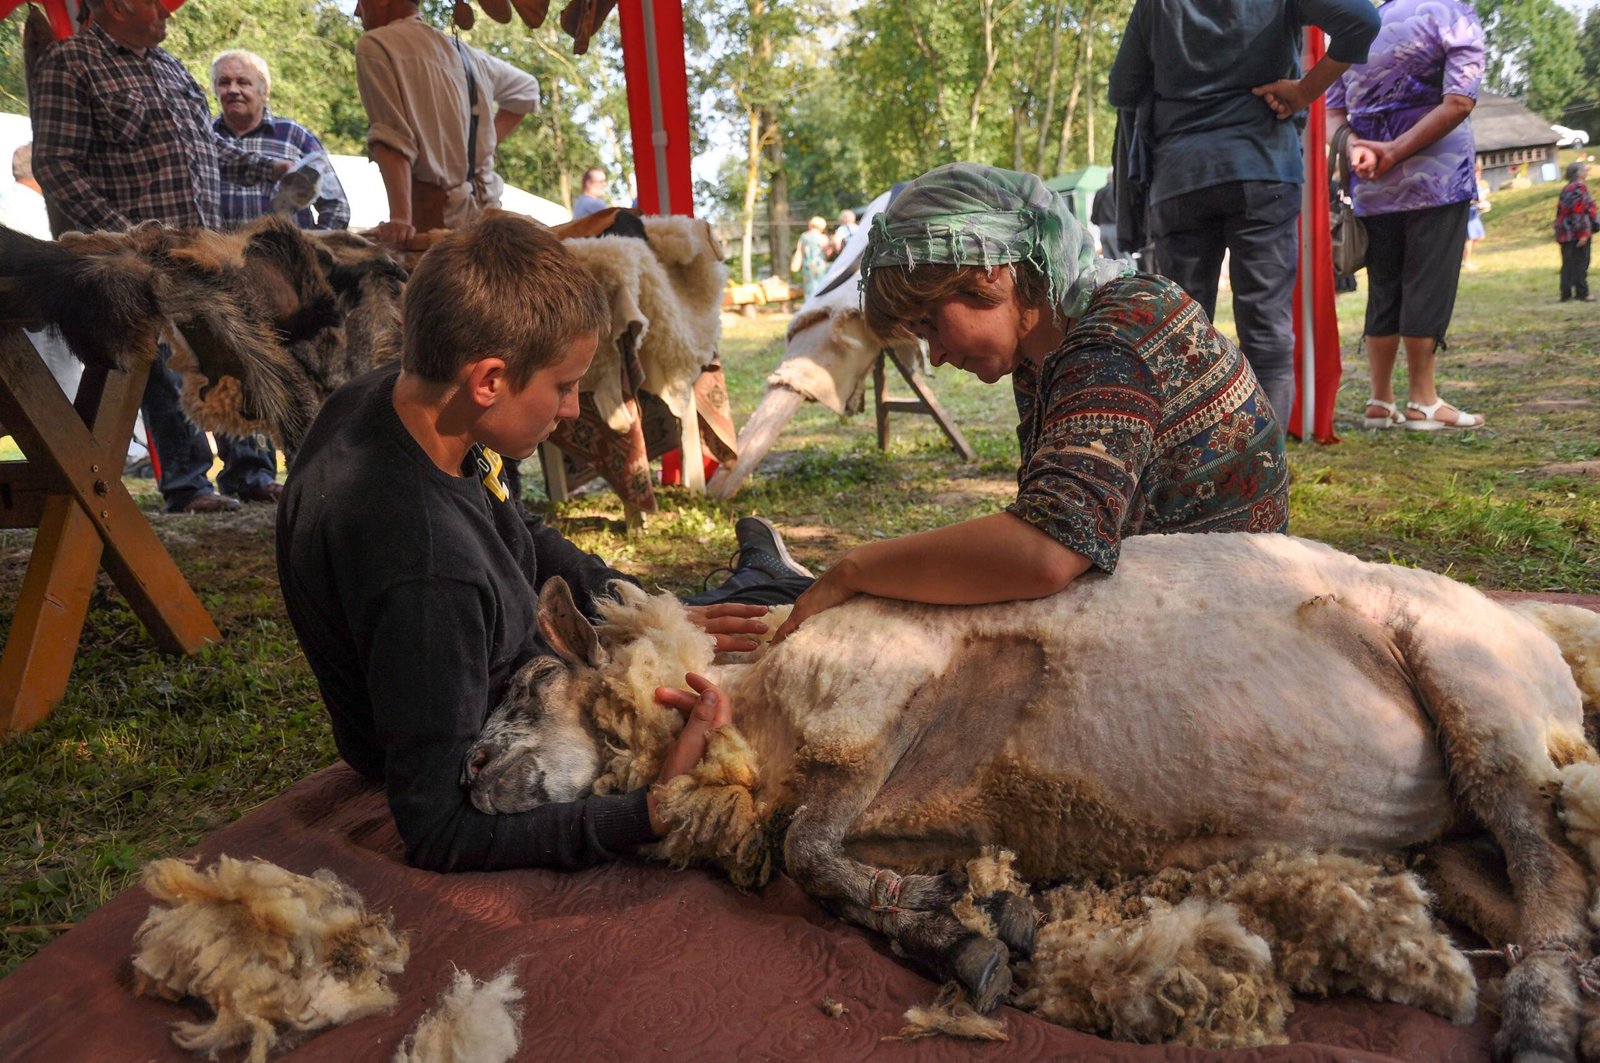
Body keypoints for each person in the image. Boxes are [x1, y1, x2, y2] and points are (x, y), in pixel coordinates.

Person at [276, 213, 809, 872]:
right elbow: (438, 828)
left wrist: (640, 608)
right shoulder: (426, 572)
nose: (568, 409)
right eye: (561, 388)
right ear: (489, 380)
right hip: (498, 715)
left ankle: (748, 583)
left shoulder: (402, 397)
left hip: (498, 651)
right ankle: (757, 581)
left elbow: (513, 527)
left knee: (698, 625)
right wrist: (642, 812)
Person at [770, 164, 1288, 644]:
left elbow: (1047, 551)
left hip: (1225, 622)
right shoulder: (1045, 350)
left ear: (988, 271)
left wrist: (856, 569)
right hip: (1185, 590)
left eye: (932, 322)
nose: (939, 354)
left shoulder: (1113, 339)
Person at [31, 0, 292, 514]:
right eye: (156, 3)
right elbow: (56, 164)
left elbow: (208, 150)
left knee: (232, 351)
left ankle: (253, 473)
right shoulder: (71, 62)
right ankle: (188, 483)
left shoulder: (169, 65)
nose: (167, 13)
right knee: (165, 371)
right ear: (121, 4)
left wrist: (272, 168)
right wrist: (123, 237)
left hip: (200, 248)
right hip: (137, 259)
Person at [1108, 0, 1380, 428]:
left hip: (1181, 177)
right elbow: (1362, 21)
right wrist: (1304, 91)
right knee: (1267, 329)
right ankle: (1263, 476)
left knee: (1184, 334)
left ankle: (1190, 467)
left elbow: (1123, 87)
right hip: (1263, 168)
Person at [1327, 0, 1486, 431]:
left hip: (1373, 185)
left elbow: (1332, 111)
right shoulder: (1452, 13)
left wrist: (1357, 147)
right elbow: (1459, 102)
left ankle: (1380, 400)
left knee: (1385, 287)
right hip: (1438, 180)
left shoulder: (1359, 21)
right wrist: (1396, 152)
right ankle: (1423, 401)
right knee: (1426, 285)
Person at [353, 0, 541, 246]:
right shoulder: (467, 55)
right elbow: (527, 90)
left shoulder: (376, 43)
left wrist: (400, 219)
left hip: (435, 227)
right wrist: (479, 150)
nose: (357, 11)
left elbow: (392, 138)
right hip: (487, 222)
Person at [211, 50, 350, 232]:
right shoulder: (203, 137)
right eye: (224, 82)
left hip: (286, 258)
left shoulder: (294, 135)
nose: (233, 90)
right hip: (219, 257)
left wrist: (313, 248)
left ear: (265, 91)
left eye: (243, 82)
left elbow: (336, 206)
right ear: (215, 91)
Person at [1556, 159, 1596, 303]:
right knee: (1581, 263)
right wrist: (1583, 234)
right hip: (1575, 233)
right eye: (1585, 169)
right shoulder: (1579, 188)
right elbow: (1578, 212)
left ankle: (1565, 294)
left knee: (1567, 264)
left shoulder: (1567, 188)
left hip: (1564, 233)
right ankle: (1582, 293)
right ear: (1578, 173)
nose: (1586, 172)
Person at [789, 215, 830, 301]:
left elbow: (799, 251)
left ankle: (810, 306)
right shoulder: (822, 237)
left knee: (809, 288)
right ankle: (820, 304)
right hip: (820, 265)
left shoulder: (804, 236)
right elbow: (828, 252)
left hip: (807, 266)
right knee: (821, 286)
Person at [1462, 158, 1489, 270]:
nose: (1478, 175)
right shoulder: (1467, 185)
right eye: (1476, 172)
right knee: (1469, 239)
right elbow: (1466, 199)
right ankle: (1466, 261)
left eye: (1479, 172)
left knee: (1479, 237)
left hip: (1475, 215)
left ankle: (1464, 256)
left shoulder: (1477, 185)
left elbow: (1481, 196)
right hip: (1468, 215)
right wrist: (1476, 201)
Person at [1089, 177, 1119, 259]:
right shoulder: (1117, 190)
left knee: (1109, 263)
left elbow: (1093, 215)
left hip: (1102, 229)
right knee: (1126, 261)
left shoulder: (1099, 192)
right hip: (1115, 228)